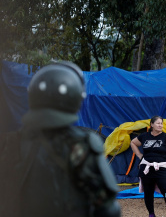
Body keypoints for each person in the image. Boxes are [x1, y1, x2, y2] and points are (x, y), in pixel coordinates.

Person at [0, 61, 121, 217]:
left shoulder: (7, 144)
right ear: (77, 99)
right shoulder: (83, 145)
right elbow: (109, 210)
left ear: (32, 95)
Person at [131, 115, 166, 217]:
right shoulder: (144, 136)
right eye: (158, 123)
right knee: (148, 193)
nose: (160, 125)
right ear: (152, 125)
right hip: (146, 168)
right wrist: (139, 155)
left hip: (161, 168)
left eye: (161, 123)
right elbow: (133, 143)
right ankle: (151, 214)